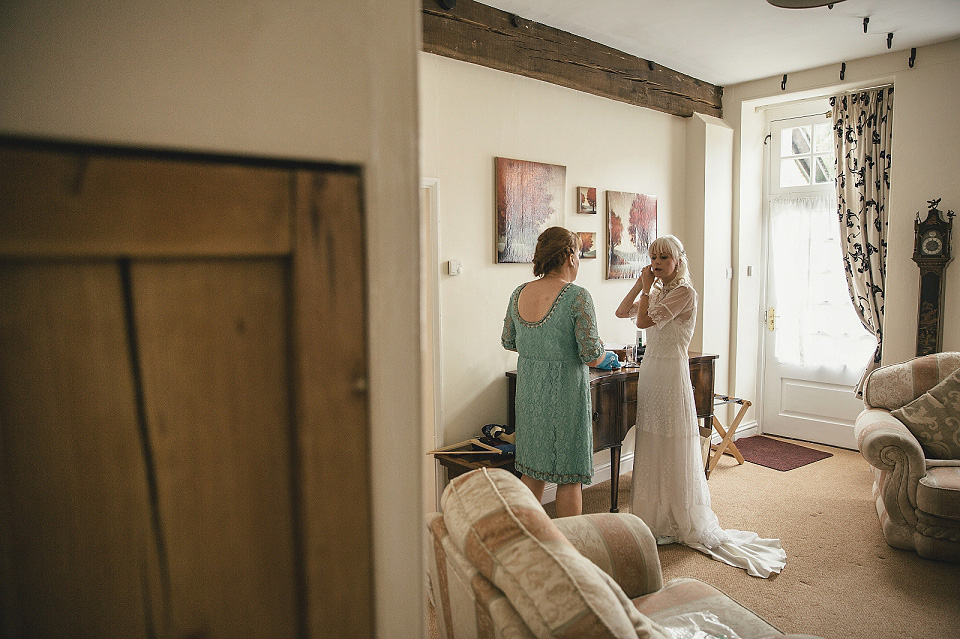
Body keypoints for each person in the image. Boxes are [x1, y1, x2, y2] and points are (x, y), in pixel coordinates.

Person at [615, 235, 786, 578]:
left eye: (665, 256)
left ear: (678, 260)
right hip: (650, 374)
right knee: (652, 441)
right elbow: (622, 311)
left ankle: (680, 516)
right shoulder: (657, 291)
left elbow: (643, 322)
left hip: (671, 374)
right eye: (654, 256)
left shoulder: (684, 293)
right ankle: (653, 518)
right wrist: (639, 285)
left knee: (673, 441)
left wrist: (647, 291)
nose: (658, 261)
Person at [501, 226, 612, 517]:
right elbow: (590, 355)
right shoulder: (577, 296)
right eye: (578, 253)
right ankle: (569, 547)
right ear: (569, 257)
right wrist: (606, 355)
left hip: (530, 394)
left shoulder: (519, 293)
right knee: (570, 475)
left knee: (533, 472)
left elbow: (508, 340)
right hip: (565, 394)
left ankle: (525, 541)